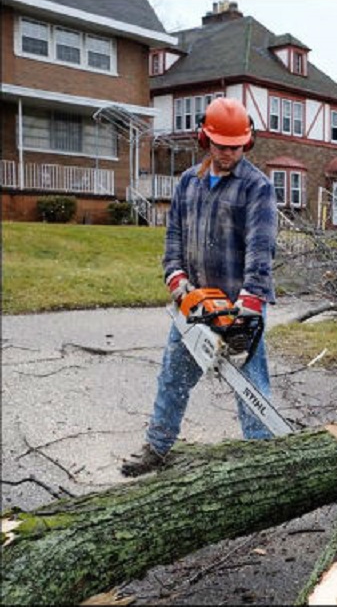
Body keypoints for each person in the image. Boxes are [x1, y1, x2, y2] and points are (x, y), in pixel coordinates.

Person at [121, 97, 278, 477]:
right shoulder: (188, 182)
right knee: (173, 376)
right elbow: (173, 236)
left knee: (249, 385)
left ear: (247, 143)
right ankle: (157, 446)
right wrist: (176, 279)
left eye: (235, 147)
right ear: (204, 139)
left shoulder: (256, 187)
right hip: (195, 303)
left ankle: (262, 465)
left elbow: (262, 246)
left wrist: (249, 302)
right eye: (221, 146)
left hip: (237, 304)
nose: (228, 154)